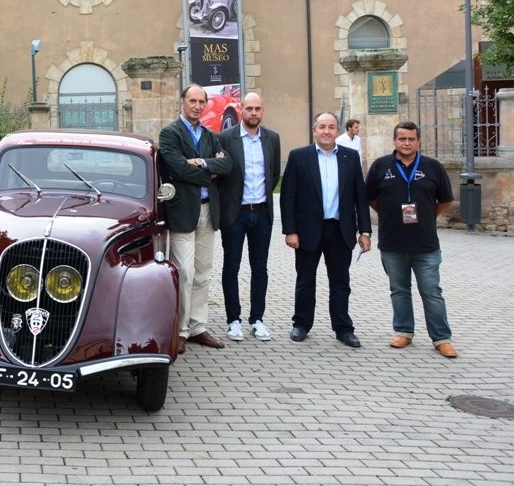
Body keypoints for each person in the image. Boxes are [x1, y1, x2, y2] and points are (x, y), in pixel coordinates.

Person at [365, 121, 457, 358]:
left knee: (431, 291)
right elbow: (370, 198)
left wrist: (427, 215)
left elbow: (446, 200)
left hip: (425, 244)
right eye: (402, 139)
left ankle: (441, 338)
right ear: (394, 141)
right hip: (392, 242)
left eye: (411, 139)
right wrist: (388, 213)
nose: (406, 143)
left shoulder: (433, 167)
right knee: (399, 290)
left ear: (418, 141)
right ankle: (404, 332)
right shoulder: (380, 166)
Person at [280, 112, 371, 347]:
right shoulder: (299, 157)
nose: (327, 131)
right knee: (305, 280)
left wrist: (365, 231)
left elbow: (360, 198)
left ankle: (343, 328)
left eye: (331, 127)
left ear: (337, 130)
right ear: (314, 131)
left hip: (341, 230)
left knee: (340, 281)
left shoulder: (350, 158)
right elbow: (288, 197)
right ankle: (301, 324)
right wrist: (290, 230)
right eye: (322, 127)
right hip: (308, 230)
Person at [159, 84, 233, 353]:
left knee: (203, 273)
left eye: (202, 101)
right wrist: (207, 168)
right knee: (184, 273)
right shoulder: (170, 133)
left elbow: (227, 165)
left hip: (208, 211)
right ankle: (179, 330)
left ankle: (198, 327)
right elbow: (176, 169)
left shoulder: (212, 136)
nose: (197, 106)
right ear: (182, 102)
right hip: (182, 212)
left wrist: (200, 163)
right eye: (192, 100)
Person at [217, 92, 281, 342]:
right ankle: (233, 320)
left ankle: (257, 319)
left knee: (260, 268)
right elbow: (221, 176)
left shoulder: (272, 138)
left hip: (262, 213)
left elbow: (274, 174)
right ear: (241, 110)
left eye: (257, 109)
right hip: (235, 214)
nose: (253, 113)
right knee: (231, 268)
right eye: (249, 109)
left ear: (263, 110)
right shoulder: (225, 138)